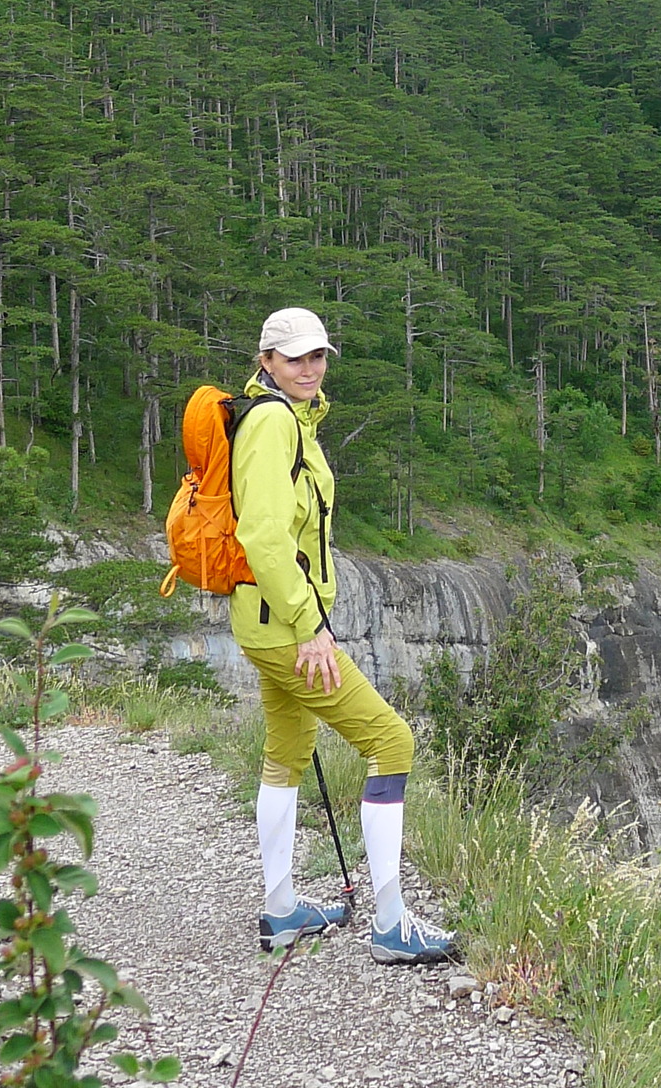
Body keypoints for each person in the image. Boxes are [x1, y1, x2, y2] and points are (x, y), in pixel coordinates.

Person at [232, 305, 459, 964]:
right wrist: (309, 626)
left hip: (264, 621)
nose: (311, 367)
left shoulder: (284, 419)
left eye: (318, 355)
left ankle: (281, 912)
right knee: (391, 740)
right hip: (286, 627)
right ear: (266, 360)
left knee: (288, 750)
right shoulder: (274, 423)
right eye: (296, 356)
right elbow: (265, 535)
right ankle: (390, 924)